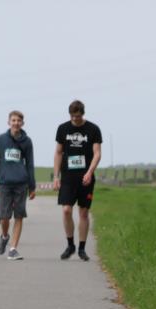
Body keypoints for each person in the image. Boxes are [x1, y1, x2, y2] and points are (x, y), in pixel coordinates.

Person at [53, 100, 102, 261]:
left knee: (83, 213)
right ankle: (70, 245)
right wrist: (56, 176)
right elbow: (59, 153)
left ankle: (81, 248)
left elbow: (97, 153)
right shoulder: (63, 128)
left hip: (85, 177)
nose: (75, 120)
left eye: (78, 117)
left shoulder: (93, 129)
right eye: (72, 117)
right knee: (66, 210)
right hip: (68, 177)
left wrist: (90, 172)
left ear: (83, 114)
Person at [0, 111, 36, 261]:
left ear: (22, 123)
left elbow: (30, 164)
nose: (16, 123)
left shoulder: (27, 142)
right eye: (13, 120)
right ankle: (4, 236)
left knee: (19, 215)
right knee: (4, 217)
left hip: (21, 183)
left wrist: (32, 186)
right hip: (4, 183)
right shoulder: (0, 140)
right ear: (8, 122)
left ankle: (13, 249)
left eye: (19, 120)